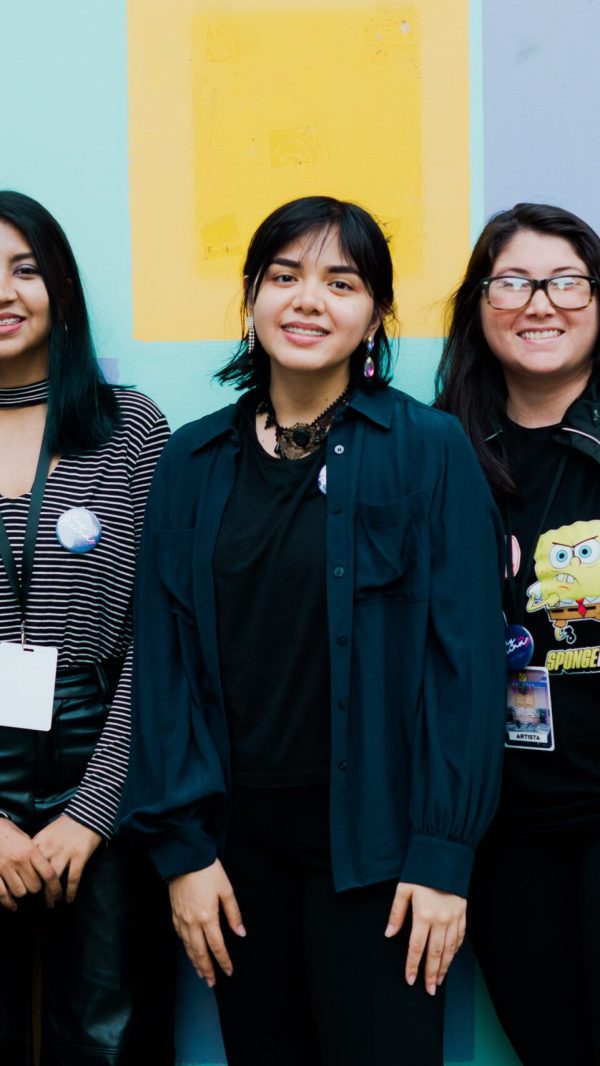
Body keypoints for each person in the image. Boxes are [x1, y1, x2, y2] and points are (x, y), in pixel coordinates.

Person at [120, 194, 506, 1066]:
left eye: (341, 281)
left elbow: (467, 665)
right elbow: (166, 660)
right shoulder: (191, 459)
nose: (308, 300)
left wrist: (445, 853)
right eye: (285, 276)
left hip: (381, 852)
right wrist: (183, 853)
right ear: (251, 298)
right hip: (233, 855)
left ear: (375, 316)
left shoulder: (428, 449)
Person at [0, 190, 175, 1065]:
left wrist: (93, 813)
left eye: (24, 268)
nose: (4, 291)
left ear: (61, 287)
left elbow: (162, 639)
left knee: (109, 1033)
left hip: (103, 748)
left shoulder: (129, 427)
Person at [435, 201, 600, 1066]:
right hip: (503, 826)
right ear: (479, 305)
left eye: (567, 280)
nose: (542, 302)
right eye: (514, 281)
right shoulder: (439, 453)